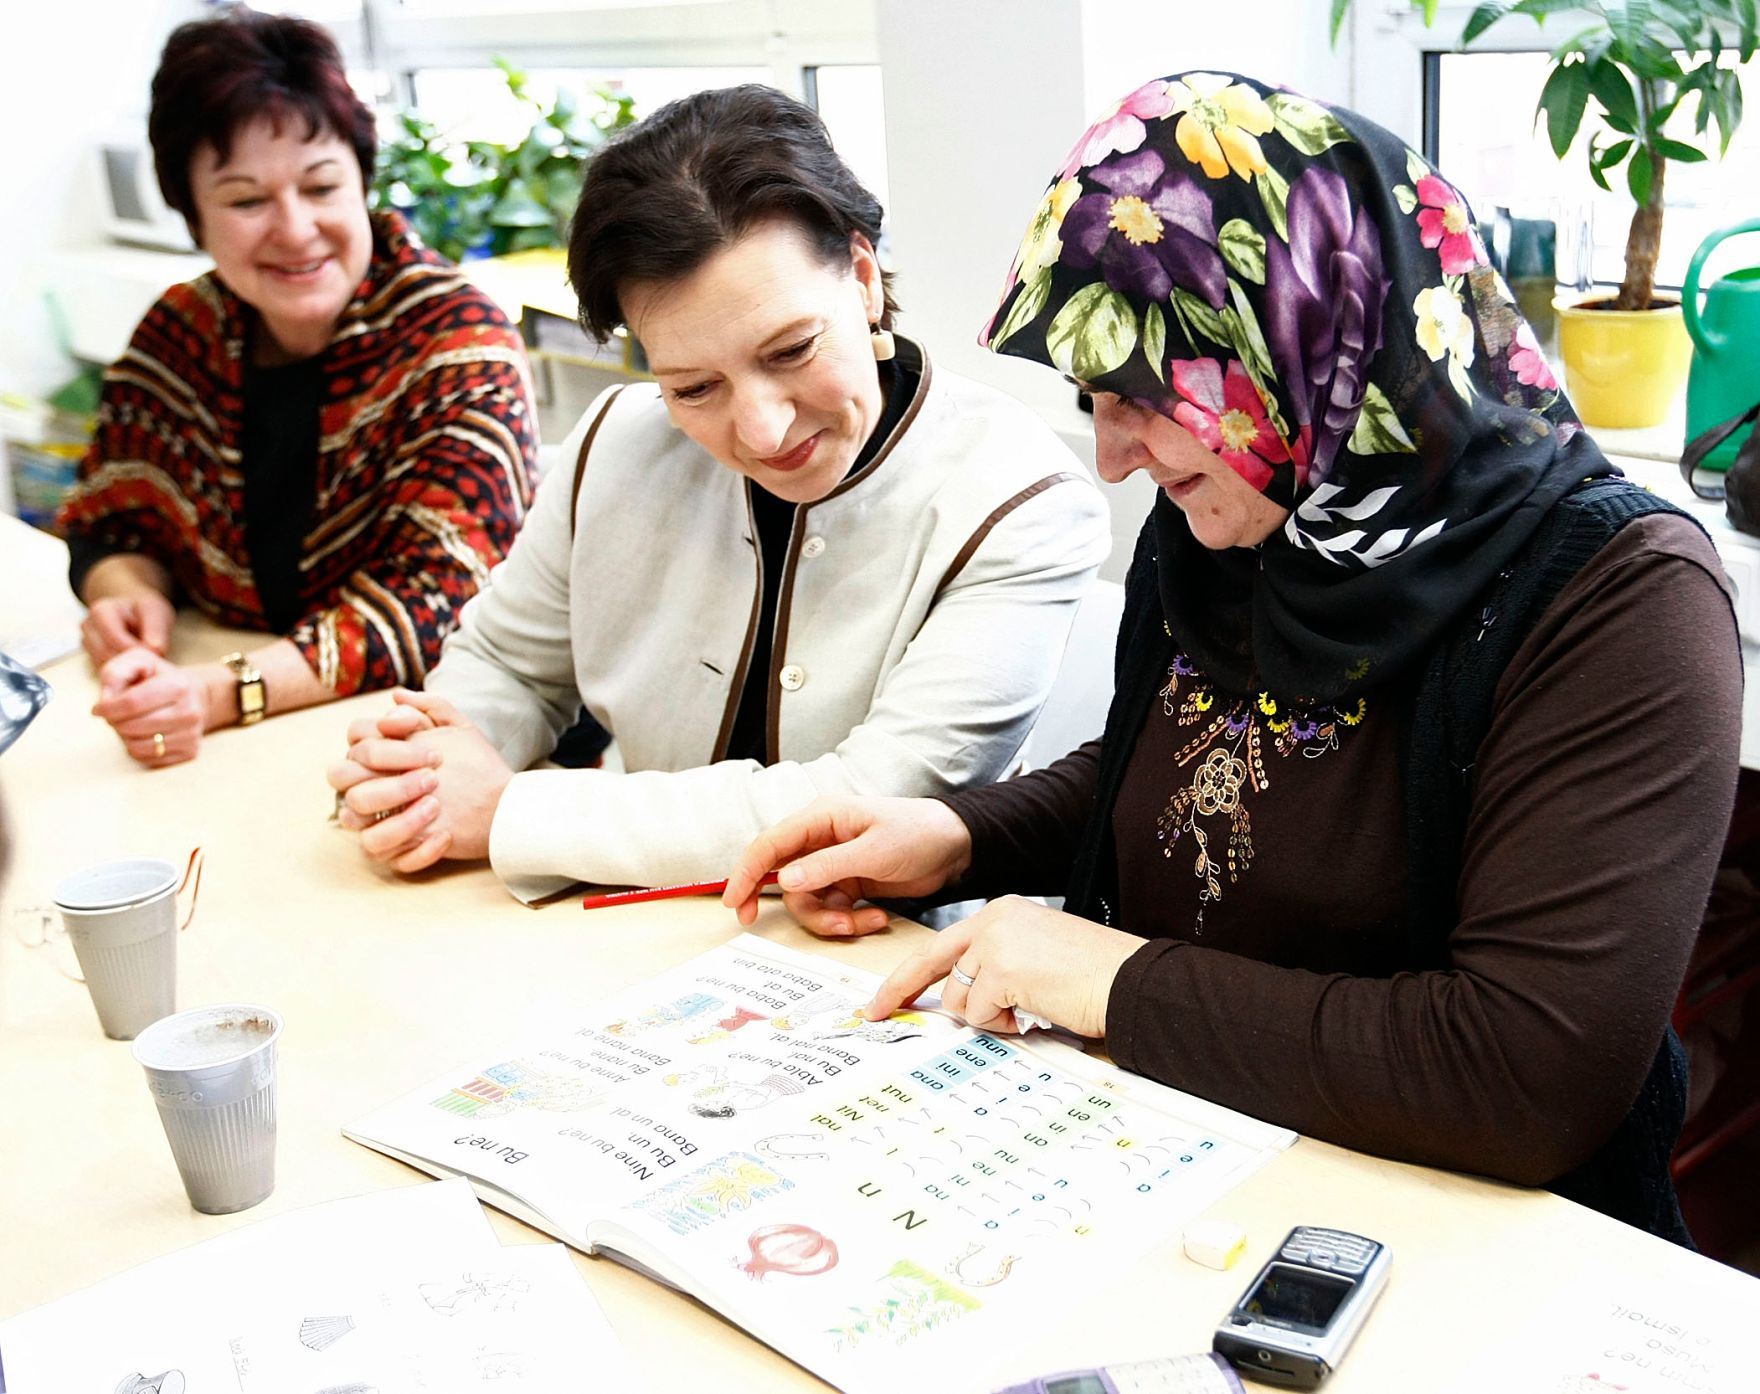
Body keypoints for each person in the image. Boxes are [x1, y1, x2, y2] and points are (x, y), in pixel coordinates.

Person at [723, 72, 1744, 1241]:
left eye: (1142, 396)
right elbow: (1196, 754)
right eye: (1090, 399)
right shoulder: (1252, 508)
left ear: (1301, 336)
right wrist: (959, 835)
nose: (1109, 458)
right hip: (1188, 1166)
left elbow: (1523, 1074)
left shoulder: (1619, 595)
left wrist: (1107, 978)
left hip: (1471, 1243)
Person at [327, 85, 1108, 897]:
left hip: (885, 973)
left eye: (792, 351)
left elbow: (868, 799)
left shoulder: (1023, 499)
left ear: (865, 277)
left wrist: (507, 812)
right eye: (694, 388)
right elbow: (506, 663)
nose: (763, 431)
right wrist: (425, 774)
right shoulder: (616, 439)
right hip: (622, 929)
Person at [55, 7, 537, 768]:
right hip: (239, 750)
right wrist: (124, 595)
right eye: (246, 201)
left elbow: (438, 599)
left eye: (321, 186)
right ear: (194, 217)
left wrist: (227, 690)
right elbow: (112, 521)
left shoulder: (457, 340)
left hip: (421, 744)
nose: (294, 228)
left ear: (363, 183)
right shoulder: (182, 331)